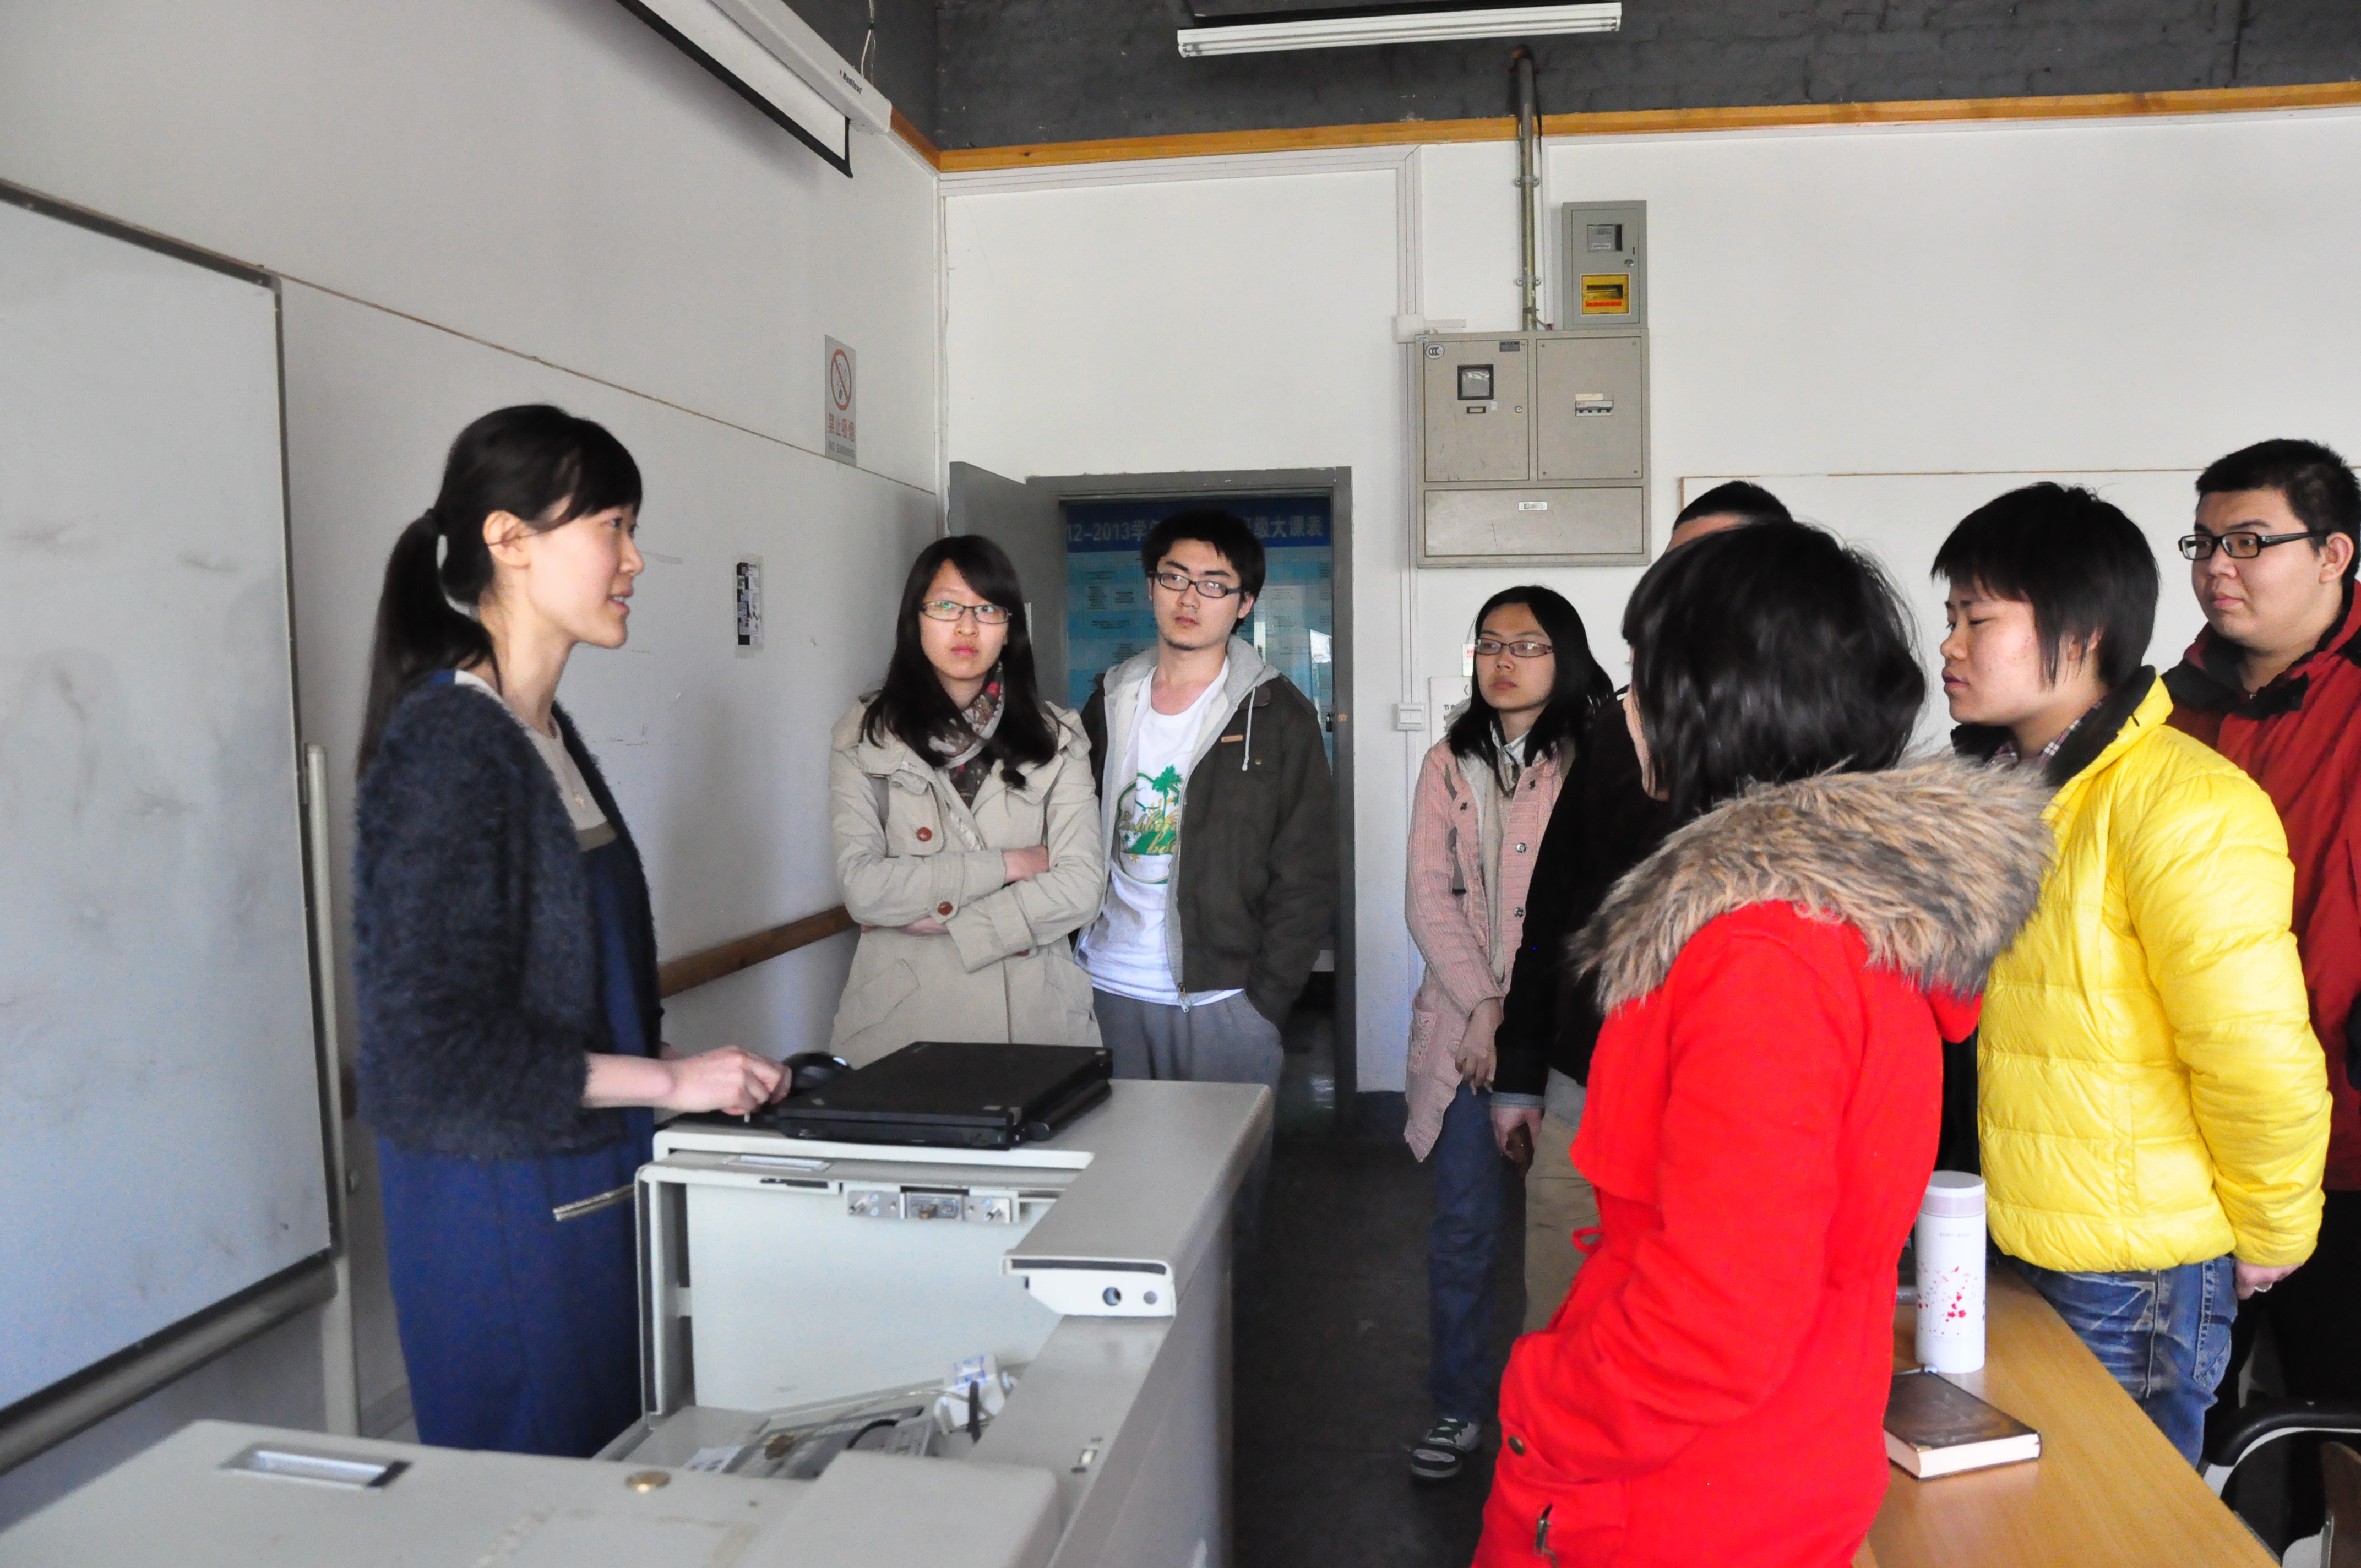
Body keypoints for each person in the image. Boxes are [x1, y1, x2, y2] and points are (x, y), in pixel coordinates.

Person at [1478, 520, 2050, 1568]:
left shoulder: (1761, 955)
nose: (1627, 706)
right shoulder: (1848, 919)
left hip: (1671, 1499)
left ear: (1714, 697)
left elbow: (1712, 1320)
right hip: (1776, 1459)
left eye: (1646, 674)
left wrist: (1542, 1407)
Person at [352, 406, 785, 1456]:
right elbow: (433, 1058)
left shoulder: (538, 730)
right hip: (505, 1217)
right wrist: (669, 1081)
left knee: (621, 1475)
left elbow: (569, 989)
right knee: (544, 1500)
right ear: (509, 540)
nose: (633, 560)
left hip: (591, 1190)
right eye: (611, 526)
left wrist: (674, 1072)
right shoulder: (450, 744)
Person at [1938, 482, 2329, 1468]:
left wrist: (2273, 1224)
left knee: (2121, 1522)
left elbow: (2252, 1047)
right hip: (2005, 1233)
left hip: (2130, 1267)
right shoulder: (1999, 795)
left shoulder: (2182, 805)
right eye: (1951, 617)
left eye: (1977, 619)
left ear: (2081, 635)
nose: (1949, 645)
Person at [1489, 479, 1793, 1334]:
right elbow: (1555, 906)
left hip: (1737, 1110)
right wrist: (1521, 1071)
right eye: (1677, 565)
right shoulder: (1615, 729)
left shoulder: (1814, 738)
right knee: (1565, 1328)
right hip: (1589, 1084)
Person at [2162, 439, 2361, 1514]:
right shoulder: (2163, 710)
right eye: (2202, 543)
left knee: (2342, 1439)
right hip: (2191, 1154)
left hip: (2348, 1147)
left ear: (2332, 553)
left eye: (2247, 541)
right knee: (2181, 1447)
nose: (2214, 568)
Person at [1401, 587, 1612, 1483]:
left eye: (1526, 645)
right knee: (1463, 1231)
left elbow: (1588, 907)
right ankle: (1459, 1406)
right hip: (1464, 1032)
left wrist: (1518, 1015)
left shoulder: (1598, 756)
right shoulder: (1449, 760)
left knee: (1570, 1236)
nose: (1503, 660)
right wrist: (1487, 1005)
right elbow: (1428, 897)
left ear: (1566, 656)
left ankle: (1553, 1418)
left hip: (1566, 1036)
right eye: (1489, 643)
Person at [1078, 508, 1336, 1092]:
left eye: (1215, 585)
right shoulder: (1110, 701)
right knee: (1109, 1151)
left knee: (1221, 1154)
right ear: (1152, 586)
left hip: (1223, 1000)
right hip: (1103, 984)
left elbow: (1308, 873)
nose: (1190, 598)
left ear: (1245, 604)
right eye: (1175, 577)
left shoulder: (1279, 715)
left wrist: (1264, 1002)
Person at [828, 536, 1104, 1063]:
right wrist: (1011, 864)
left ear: (1009, 628)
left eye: (988, 610)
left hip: (1031, 1013)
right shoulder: (865, 735)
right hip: (902, 1018)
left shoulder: (1058, 736)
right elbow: (863, 888)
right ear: (916, 618)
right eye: (946, 606)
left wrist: (956, 926)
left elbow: (1081, 887)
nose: (967, 627)